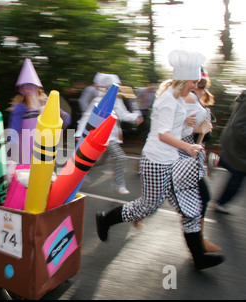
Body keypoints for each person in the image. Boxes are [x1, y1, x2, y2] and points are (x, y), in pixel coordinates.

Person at [95, 50, 225, 271]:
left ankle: (199, 258)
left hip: (173, 161)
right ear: (186, 80)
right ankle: (106, 219)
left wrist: (196, 128)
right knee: (148, 207)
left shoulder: (179, 99)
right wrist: (189, 146)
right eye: (195, 81)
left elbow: (177, 128)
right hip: (157, 161)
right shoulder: (168, 100)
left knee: (191, 206)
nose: (197, 85)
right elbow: (163, 134)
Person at [181, 68, 220, 252]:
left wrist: (204, 129)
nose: (201, 88)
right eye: (199, 84)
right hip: (182, 160)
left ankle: (198, 246)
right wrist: (200, 129)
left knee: (201, 199)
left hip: (192, 161)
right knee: (202, 198)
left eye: (203, 85)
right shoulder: (187, 100)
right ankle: (198, 247)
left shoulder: (195, 101)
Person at [7, 58, 70, 164]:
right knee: (27, 173)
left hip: (45, 144)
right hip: (26, 148)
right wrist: (11, 148)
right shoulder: (20, 108)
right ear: (21, 90)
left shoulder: (47, 103)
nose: (27, 90)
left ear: (37, 88)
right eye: (24, 87)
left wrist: (61, 114)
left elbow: (66, 120)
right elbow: (14, 129)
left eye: (30, 86)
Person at [94, 74, 144, 195]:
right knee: (120, 157)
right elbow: (88, 118)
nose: (120, 88)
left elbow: (123, 115)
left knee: (97, 161)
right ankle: (118, 184)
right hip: (102, 137)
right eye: (117, 86)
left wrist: (136, 115)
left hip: (112, 137)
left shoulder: (117, 100)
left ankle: (71, 171)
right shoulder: (99, 100)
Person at [211, 90, 246, 214]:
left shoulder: (243, 97)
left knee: (234, 167)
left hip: (234, 140)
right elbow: (238, 125)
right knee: (240, 173)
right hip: (237, 142)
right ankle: (220, 202)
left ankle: (216, 161)